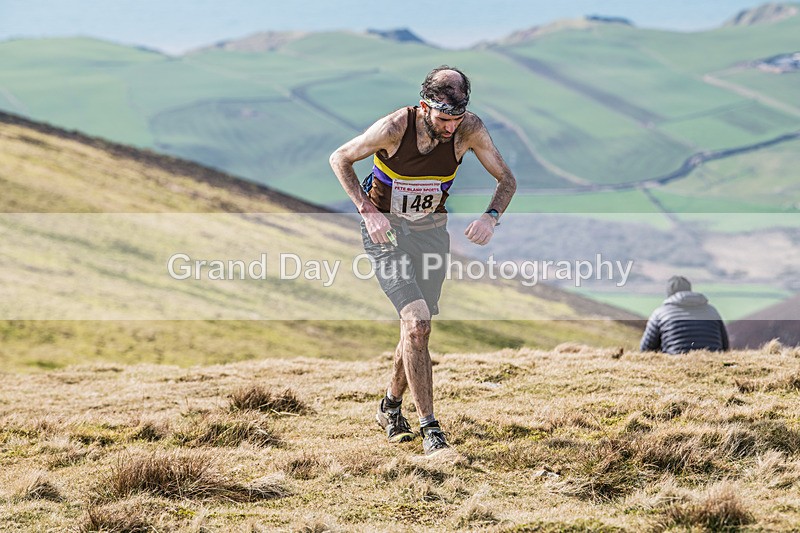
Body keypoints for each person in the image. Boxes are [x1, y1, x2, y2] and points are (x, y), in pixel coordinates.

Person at [329, 66, 517, 456]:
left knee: (416, 329)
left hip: (431, 234)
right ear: (424, 106)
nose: (451, 128)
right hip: (388, 233)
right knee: (417, 324)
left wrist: (491, 217)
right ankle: (431, 429)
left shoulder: (469, 129)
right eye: (443, 119)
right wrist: (367, 211)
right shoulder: (395, 127)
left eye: (457, 118)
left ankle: (390, 407)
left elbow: (507, 180)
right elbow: (340, 159)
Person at [640, 275, 729, 354]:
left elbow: (646, 349)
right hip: (712, 362)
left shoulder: (660, 313)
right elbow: (725, 346)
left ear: (669, 293)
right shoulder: (712, 311)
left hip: (675, 362)